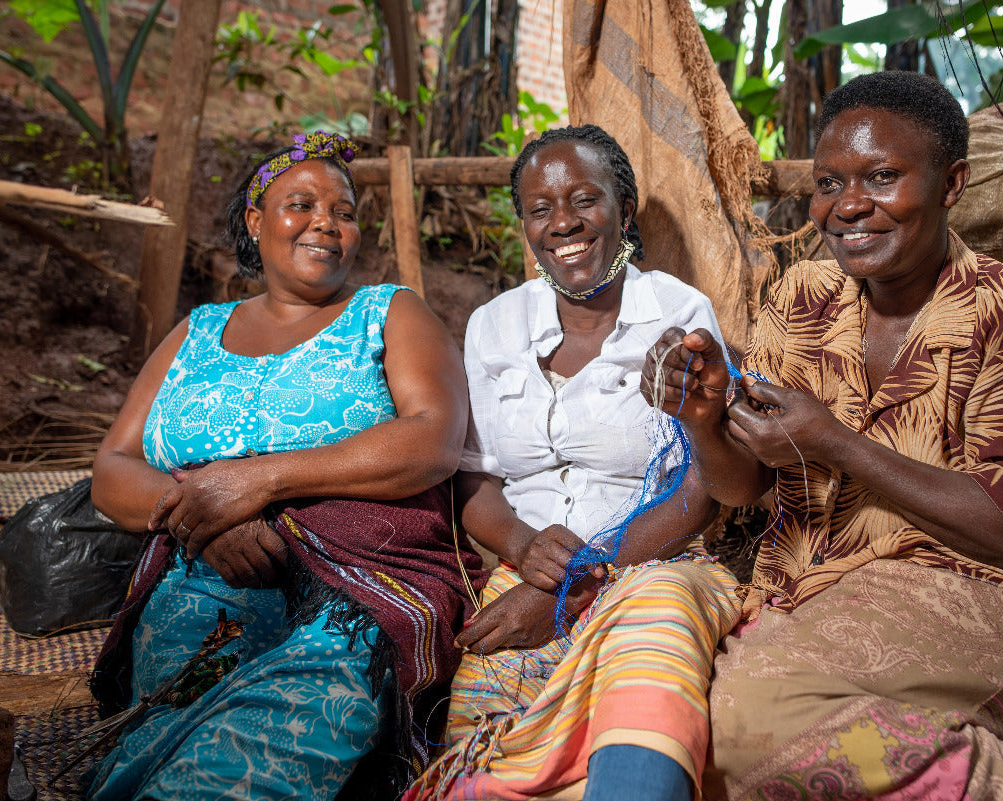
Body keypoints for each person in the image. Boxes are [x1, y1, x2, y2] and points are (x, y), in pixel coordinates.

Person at [645, 72, 1003, 800]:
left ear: (951, 183)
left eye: (882, 177)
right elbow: (748, 486)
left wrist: (840, 443)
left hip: (1000, 603)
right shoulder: (802, 295)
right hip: (815, 593)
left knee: (743, 724)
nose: (847, 206)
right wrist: (703, 416)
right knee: (675, 708)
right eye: (829, 182)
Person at [86, 132, 485, 801]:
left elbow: (433, 440)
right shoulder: (196, 332)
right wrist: (203, 519)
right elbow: (113, 468)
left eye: (345, 210)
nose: (327, 221)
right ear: (255, 219)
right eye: (301, 203)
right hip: (205, 583)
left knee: (276, 729)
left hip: (355, 587)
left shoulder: (387, 312)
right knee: (179, 717)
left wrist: (255, 480)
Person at [404, 125, 741, 801]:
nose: (563, 222)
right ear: (524, 223)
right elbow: (476, 478)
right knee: (483, 723)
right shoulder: (493, 324)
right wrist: (525, 548)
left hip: (654, 565)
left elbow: (705, 486)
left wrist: (582, 577)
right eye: (539, 208)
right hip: (522, 574)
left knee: (654, 649)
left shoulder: (678, 313)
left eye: (584, 199)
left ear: (623, 208)